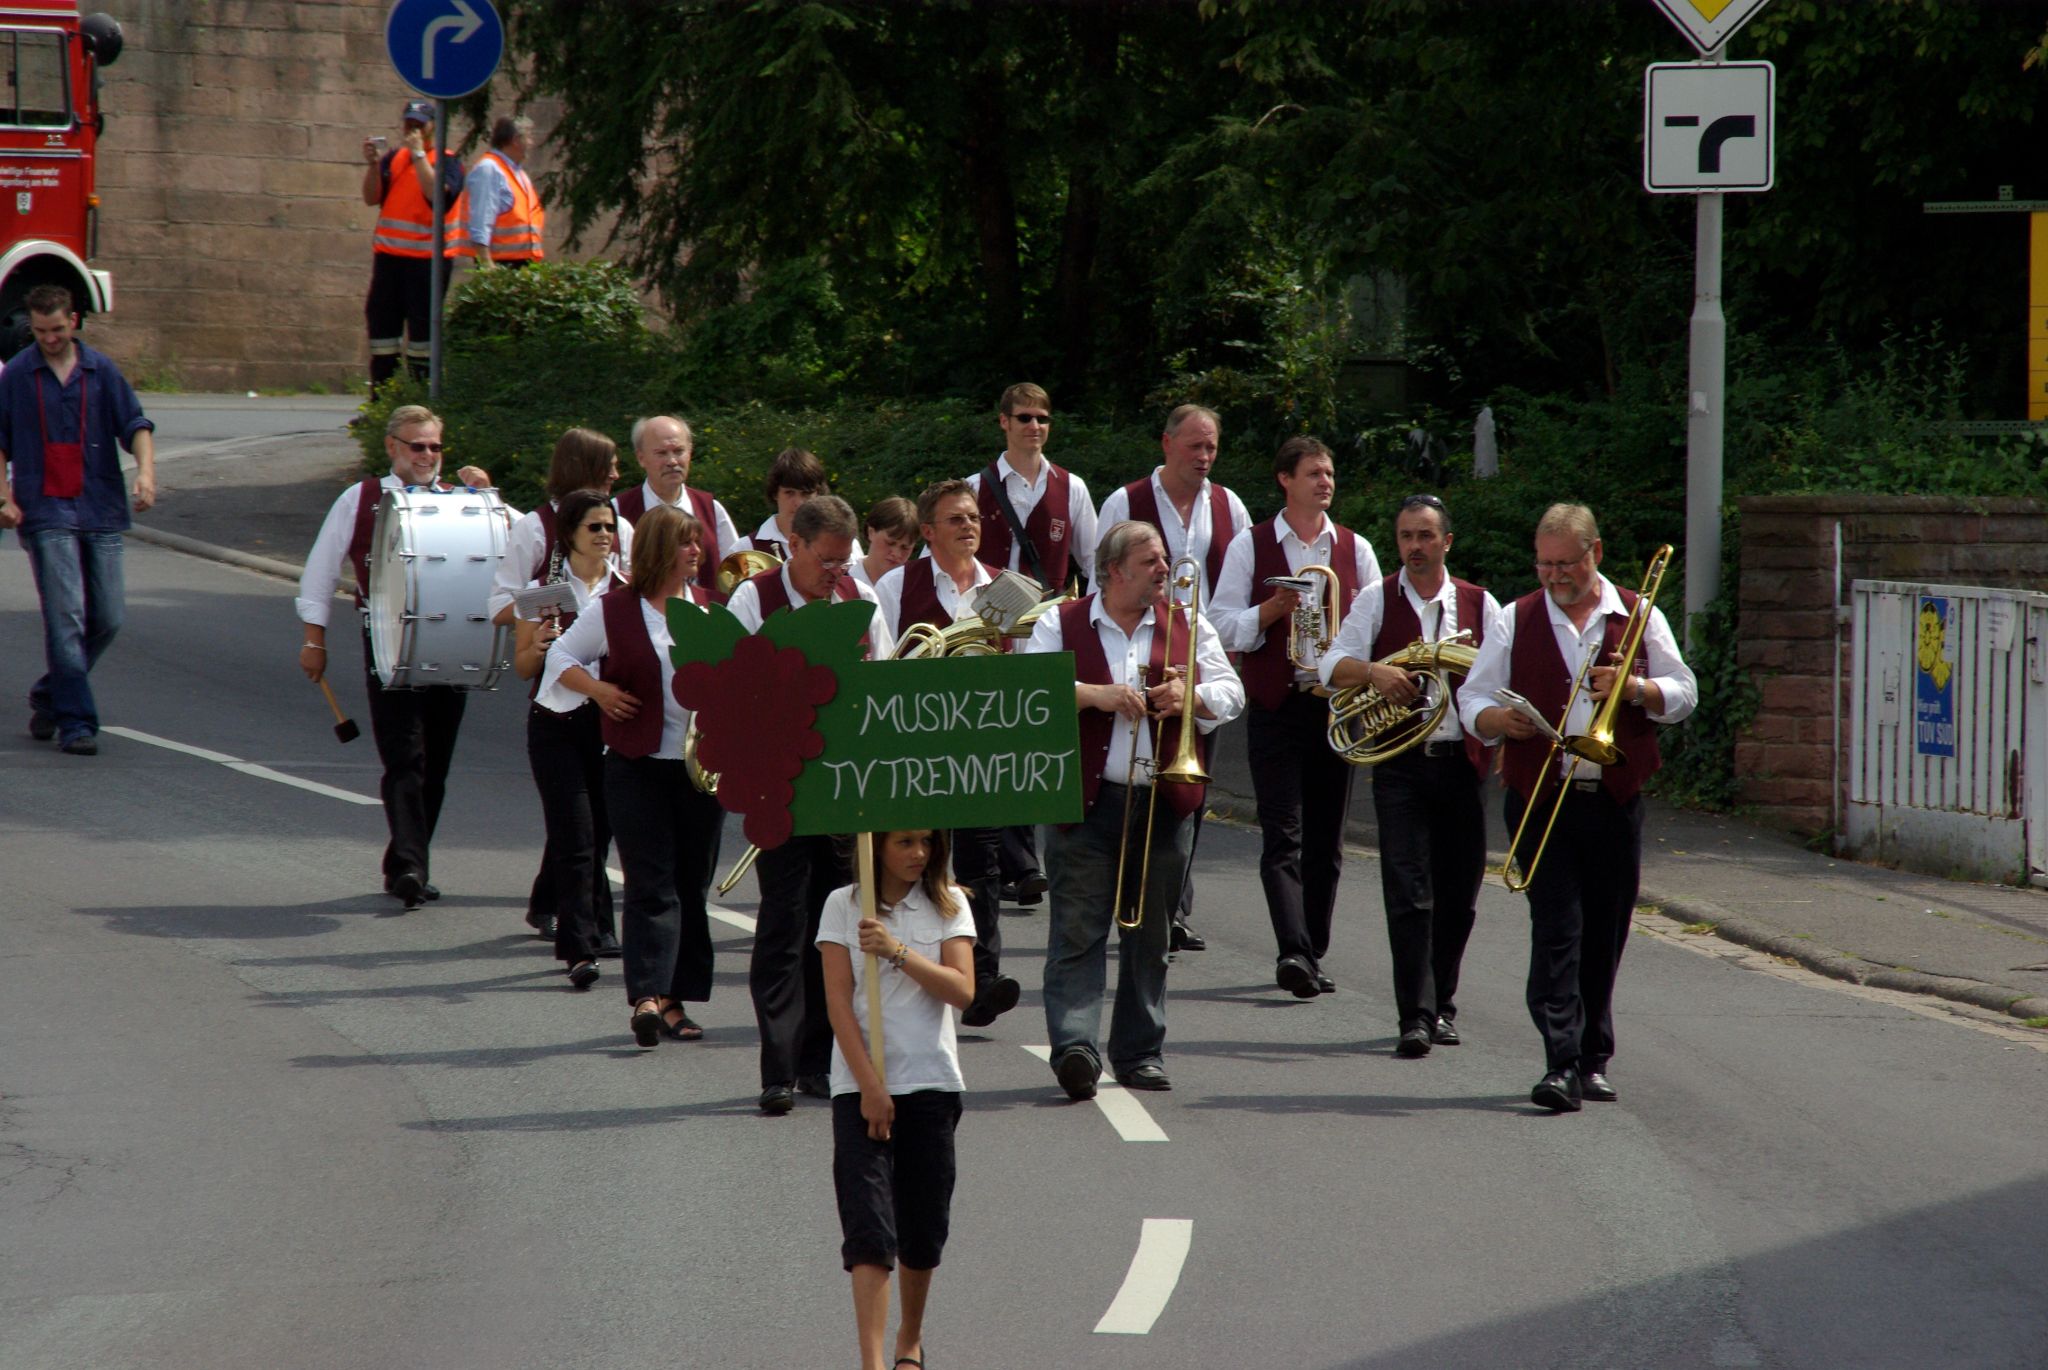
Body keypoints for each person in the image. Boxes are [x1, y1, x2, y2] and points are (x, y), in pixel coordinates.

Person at [1462, 504, 1697, 1112]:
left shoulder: (1638, 614)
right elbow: (1474, 698)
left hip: (1614, 799)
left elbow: (1683, 692)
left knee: (1605, 932)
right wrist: (1497, 721)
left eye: (1565, 563)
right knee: (1557, 929)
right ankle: (1560, 1062)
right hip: (1541, 795)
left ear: (1595, 552)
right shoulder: (1517, 618)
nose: (1553, 576)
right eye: (1544, 563)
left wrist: (1640, 688)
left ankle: (1593, 1058)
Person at [1020, 520, 1243, 1099]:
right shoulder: (1059, 621)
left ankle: (1140, 1052)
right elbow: (1032, 687)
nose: (1165, 571)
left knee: (1152, 936)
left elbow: (1231, 694)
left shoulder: (1188, 625)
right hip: (1085, 801)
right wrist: (1097, 695)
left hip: (1163, 801)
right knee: (1077, 928)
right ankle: (1075, 1047)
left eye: (1164, 561)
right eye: (1152, 562)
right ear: (1116, 569)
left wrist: (1188, 695)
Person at [728, 494, 894, 1113]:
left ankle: (821, 1062)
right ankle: (778, 1065)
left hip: (844, 790)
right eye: (827, 561)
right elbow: (734, 690)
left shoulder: (858, 600)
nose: (837, 573)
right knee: (782, 925)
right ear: (793, 545)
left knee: (837, 931)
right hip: (781, 786)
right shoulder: (755, 600)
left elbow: (882, 684)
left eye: (844, 561)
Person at [1321, 492, 1500, 1056]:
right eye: (1405, 537)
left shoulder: (1480, 603)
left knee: (1459, 896)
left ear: (1446, 542)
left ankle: (1442, 1003)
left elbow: (1498, 679)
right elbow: (1330, 665)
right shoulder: (1377, 598)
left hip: (1462, 766)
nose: (1415, 547)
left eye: (1425, 536)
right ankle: (1415, 1017)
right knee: (1407, 892)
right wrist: (1376, 672)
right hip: (1399, 766)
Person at [544, 505, 726, 1047]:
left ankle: (675, 999)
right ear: (657, 551)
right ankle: (646, 995)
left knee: (691, 886)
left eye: (698, 543)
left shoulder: (714, 609)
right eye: (686, 543)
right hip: (635, 767)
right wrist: (599, 691)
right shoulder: (614, 610)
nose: (696, 552)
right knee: (651, 884)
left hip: (700, 771)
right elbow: (560, 657)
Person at [296, 405, 489, 909]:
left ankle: (407, 859)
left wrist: (487, 496)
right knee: (405, 757)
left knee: (437, 763)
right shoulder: (360, 498)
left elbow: (512, 543)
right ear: (392, 447)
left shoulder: (462, 500)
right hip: (386, 642)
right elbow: (319, 572)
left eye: (434, 447)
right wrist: (314, 638)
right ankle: (408, 865)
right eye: (416, 446)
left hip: (450, 644)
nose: (427, 456)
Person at [1211, 436, 1380, 998]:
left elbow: (1376, 626)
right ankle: (1292, 950)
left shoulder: (1355, 549)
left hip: (1336, 710)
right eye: (1314, 473)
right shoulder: (1249, 544)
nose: (1325, 482)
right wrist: (1269, 611)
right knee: (1282, 835)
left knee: (1327, 842)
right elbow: (1219, 623)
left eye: (1330, 473)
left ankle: (1312, 950)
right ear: (1285, 479)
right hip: (1277, 708)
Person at [1096, 402, 1252, 954]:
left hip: (1201, 657)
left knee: (1190, 781)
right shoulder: (1125, 501)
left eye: (1211, 447)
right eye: (1195, 446)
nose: (1205, 457)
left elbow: (1237, 582)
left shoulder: (1229, 504)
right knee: (1132, 778)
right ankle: (1125, 893)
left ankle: (1173, 906)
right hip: (1143, 650)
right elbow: (1103, 576)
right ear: (1167, 444)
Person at [817, 829, 974, 1370]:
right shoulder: (843, 905)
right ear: (877, 846)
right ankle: (872, 1362)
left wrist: (897, 950)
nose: (919, 854)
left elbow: (962, 990)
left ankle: (910, 1338)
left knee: (923, 1228)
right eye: (905, 842)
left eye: (927, 842)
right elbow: (838, 1001)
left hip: (932, 1083)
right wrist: (870, 1088)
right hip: (860, 1090)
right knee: (868, 1232)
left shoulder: (948, 903)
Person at [873, 479, 1018, 1028]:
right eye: (955, 519)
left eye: (974, 517)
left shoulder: (1003, 589)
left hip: (980, 748)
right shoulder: (894, 584)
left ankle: (982, 976)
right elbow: (882, 663)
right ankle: (915, 967)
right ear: (928, 532)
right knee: (922, 862)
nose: (969, 526)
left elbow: (1020, 666)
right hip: (919, 748)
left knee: (984, 862)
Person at [0, 283, 156, 756]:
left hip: (100, 505)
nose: (49, 338)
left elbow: (136, 425)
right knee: (65, 615)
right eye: (41, 330)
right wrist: (3, 497)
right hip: (45, 509)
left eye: (57, 329)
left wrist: (147, 473)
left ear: (74, 322)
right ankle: (76, 721)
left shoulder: (100, 371)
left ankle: (51, 692)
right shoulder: (18, 376)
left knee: (108, 616)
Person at [965, 382, 1094, 910]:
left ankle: (1026, 862)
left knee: (1035, 744)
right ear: (1003, 423)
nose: (1034, 426)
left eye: (1042, 417)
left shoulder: (1073, 488)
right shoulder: (975, 487)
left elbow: (1092, 564)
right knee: (997, 743)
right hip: (989, 628)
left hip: (1047, 629)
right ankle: (1018, 864)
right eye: (1023, 417)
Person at [513, 488, 627, 989]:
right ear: (571, 536)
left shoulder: (628, 589)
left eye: (610, 527)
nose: (605, 536)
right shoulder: (543, 592)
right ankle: (579, 948)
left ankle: (597, 926)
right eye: (594, 528)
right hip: (556, 726)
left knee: (600, 834)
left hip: (610, 727)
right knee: (575, 838)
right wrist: (537, 646)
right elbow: (522, 668)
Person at [361, 99, 464, 392]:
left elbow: (436, 196)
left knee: (422, 338)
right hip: (390, 260)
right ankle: (382, 401)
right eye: (409, 124)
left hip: (427, 264)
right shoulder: (394, 158)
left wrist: (419, 154)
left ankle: (420, 399)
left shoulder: (447, 161)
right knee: (382, 334)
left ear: (434, 127)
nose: (413, 129)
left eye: (420, 124)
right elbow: (371, 198)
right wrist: (372, 164)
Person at [612, 414, 739, 599]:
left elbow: (734, 571)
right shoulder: (618, 512)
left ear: (690, 453)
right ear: (641, 458)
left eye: (679, 451)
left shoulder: (711, 509)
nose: (672, 461)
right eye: (661, 453)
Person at [738, 445, 863, 565]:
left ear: (818, 494)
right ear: (775, 493)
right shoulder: (745, 549)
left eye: (806, 494)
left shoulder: (847, 546)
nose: (798, 503)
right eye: (789, 493)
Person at [454, 115, 544, 268]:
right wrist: (487, 264)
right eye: (528, 137)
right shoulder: (489, 169)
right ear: (516, 140)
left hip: (522, 261)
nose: (531, 142)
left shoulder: (517, 172)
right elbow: (480, 221)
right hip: (500, 264)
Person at [850, 495, 917, 590]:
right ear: (871, 532)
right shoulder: (843, 580)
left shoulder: (915, 587)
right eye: (890, 543)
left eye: (905, 548)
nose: (896, 554)